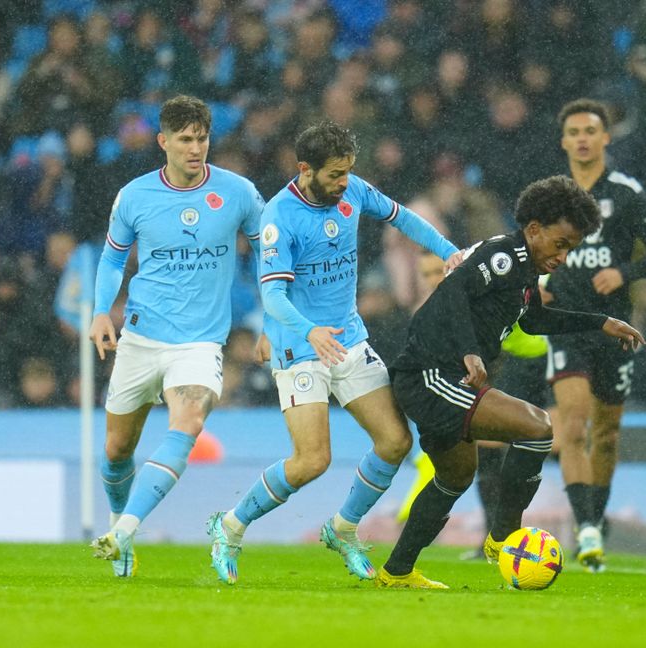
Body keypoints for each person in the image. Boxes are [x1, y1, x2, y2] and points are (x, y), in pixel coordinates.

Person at [206, 121, 460, 585]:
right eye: (335, 174)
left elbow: (402, 216)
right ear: (306, 169)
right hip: (300, 348)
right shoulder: (279, 217)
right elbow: (275, 298)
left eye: (348, 172)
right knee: (312, 461)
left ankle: (342, 529)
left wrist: (449, 251)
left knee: (396, 441)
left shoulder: (354, 191)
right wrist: (311, 332)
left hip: (349, 339)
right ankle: (229, 527)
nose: (344, 182)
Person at [375, 176, 645, 589]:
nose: (563, 256)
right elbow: (453, 292)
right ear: (534, 229)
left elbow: (534, 318)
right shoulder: (504, 255)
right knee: (537, 427)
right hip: (430, 373)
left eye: (570, 248)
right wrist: (469, 350)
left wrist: (601, 322)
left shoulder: (523, 269)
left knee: (454, 477)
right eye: (560, 243)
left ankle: (396, 572)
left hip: (446, 375)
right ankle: (502, 538)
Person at [484, 99, 646, 573]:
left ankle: (596, 518)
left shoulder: (626, 193)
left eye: (591, 130)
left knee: (606, 433)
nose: (583, 138)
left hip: (616, 327)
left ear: (606, 138)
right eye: (574, 131)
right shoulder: (552, 197)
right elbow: (523, 246)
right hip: (566, 324)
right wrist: (538, 286)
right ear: (564, 140)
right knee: (571, 422)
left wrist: (624, 272)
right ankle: (586, 527)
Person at [88, 95, 264, 578]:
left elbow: (272, 250)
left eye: (202, 138)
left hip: (200, 342)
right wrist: (102, 310)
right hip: (141, 338)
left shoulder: (239, 193)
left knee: (188, 421)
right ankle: (117, 520)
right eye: (185, 139)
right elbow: (111, 258)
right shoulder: (135, 197)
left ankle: (124, 531)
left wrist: (273, 318)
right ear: (163, 142)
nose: (195, 148)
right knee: (117, 451)